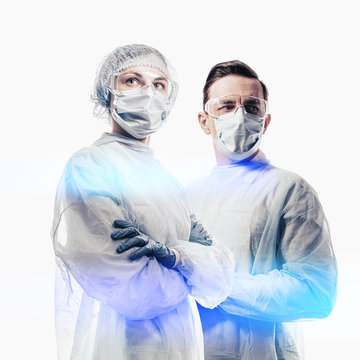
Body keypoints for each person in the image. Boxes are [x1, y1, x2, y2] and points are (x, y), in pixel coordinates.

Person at [51, 44, 234, 360]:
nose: (147, 92)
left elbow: (221, 275)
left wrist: (174, 257)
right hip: (120, 347)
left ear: (168, 101)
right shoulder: (90, 167)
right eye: (132, 81)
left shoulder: (167, 182)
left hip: (183, 346)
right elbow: (135, 291)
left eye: (158, 84)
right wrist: (191, 272)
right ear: (108, 91)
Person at [186, 60, 338, 359]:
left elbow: (316, 294)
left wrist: (216, 285)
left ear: (265, 121)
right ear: (205, 121)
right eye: (226, 106)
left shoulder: (289, 189)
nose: (240, 116)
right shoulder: (185, 197)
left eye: (252, 107)